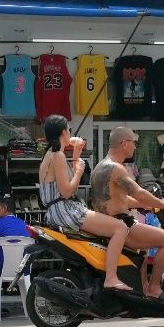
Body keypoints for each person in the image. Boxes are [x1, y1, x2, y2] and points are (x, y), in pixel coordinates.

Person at [38, 115, 133, 292]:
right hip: (66, 210)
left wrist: (75, 152)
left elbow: (75, 143)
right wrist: (80, 172)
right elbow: (67, 192)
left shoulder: (50, 154)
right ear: (63, 131)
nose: (70, 133)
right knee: (120, 228)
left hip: (58, 210)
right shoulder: (57, 155)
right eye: (68, 129)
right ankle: (111, 278)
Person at [90, 126, 164, 304]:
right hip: (122, 224)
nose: (135, 147)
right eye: (134, 142)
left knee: (144, 252)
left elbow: (121, 199)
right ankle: (154, 288)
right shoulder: (116, 168)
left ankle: (141, 291)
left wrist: (149, 204)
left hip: (108, 223)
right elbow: (138, 192)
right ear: (124, 143)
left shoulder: (100, 167)